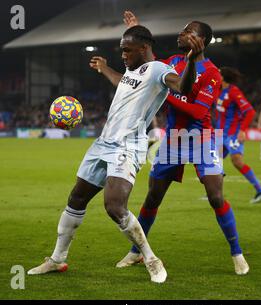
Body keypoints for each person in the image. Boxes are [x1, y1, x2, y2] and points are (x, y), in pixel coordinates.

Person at [27, 25, 204, 283]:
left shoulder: (159, 71)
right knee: (76, 198)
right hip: (103, 143)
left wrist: (190, 62)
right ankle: (57, 259)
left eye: (127, 50)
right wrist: (104, 68)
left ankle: (151, 259)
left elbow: (183, 87)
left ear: (143, 48)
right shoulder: (133, 72)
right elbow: (121, 81)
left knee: (114, 206)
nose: (123, 55)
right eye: (122, 50)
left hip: (127, 146)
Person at [117, 11, 249, 275]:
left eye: (188, 31)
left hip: (203, 138)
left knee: (215, 196)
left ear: (201, 40)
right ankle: (135, 253)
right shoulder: (173, 61)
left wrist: (165, 95)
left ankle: (237, 254)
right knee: (153, 196)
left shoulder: (212, 72)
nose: (181, 33)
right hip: (174, 139)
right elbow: (147, 65)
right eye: (183, 29)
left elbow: (199, 112)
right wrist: (135, 30)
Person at [214, 67, 261, 204]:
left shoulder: (234, 92)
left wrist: (242, 130)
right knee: (215, 162)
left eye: (219, 74)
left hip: (232, 134)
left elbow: (250, 111)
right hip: (220, 134)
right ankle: (215, 193)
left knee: (237, 161)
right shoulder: (218, 91)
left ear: (223, 77)